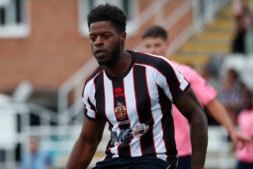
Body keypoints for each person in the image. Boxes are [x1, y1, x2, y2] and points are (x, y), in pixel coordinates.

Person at [66, 4, 208, 169]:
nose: (98, 42)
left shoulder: (156, 69)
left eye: (105, 36)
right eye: (93, 37)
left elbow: (197, 114)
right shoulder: (93, 86)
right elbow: (87, 141)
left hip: (154, 161)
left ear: (122, 37)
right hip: (115, 161)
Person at [141, 25, 251, 169]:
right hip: (148, 153)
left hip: (181, 153)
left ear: (167, 45)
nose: (152, 50)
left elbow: (212, 102)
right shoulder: (137, 77)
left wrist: (231, 130)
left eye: (157, 45)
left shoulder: (184, 73)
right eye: (148, 46)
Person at [236, 91, 253, 169]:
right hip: (242, 155)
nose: (246, 101)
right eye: (244, 99)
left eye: (248, 99)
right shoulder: (241, 115)